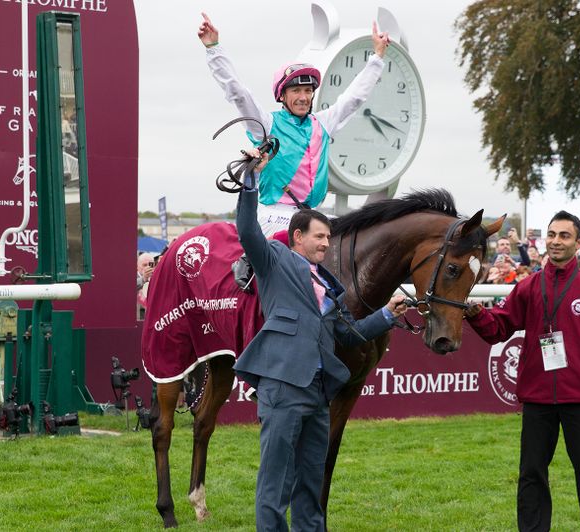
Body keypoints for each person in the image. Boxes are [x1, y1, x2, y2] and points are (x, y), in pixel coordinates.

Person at [234, 149, 407, 531]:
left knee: (311, 483)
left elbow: (348, 333)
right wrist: (251, 178)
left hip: (317, 393)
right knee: (275, 483)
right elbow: (247, 231)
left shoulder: (330, 285)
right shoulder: (275, 259)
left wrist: (388, 314)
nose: (328, 243)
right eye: (320, 236)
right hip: (282, 386)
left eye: (330, 236)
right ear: (298, 237)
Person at [465, 210, 580, 532]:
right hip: (537, 398)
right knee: (532, 473)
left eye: (564, 236)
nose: (555, 241)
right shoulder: (529, 286)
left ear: (578, 242)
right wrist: (476, 313)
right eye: (551, 235)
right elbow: (499, 326)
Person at [199, 13, 391, 236]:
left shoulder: (323, 123)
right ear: (282, 95)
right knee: (313, 232)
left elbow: (354, 98)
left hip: (311, 214)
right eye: (296, 91)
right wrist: (214, 49)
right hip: (274, 214)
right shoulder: (268, 124)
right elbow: (239, 93)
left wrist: (377, 57)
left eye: (308, 91)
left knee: (354, 236)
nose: (303, 97)